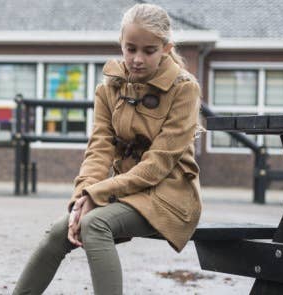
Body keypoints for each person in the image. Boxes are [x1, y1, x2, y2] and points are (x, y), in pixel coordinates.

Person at [13, 3, 204, 294]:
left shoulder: (184, 89)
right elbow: (99, 149)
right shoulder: (109, 88)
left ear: (166, 48)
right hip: (121, 191)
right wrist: (82, 197)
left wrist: (97, 195)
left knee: (96, 225)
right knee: (59, 232)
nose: (137, 59)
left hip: (168, 194)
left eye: (149, 51)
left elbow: (158, 164)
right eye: (130, 49)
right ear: (121, 44)